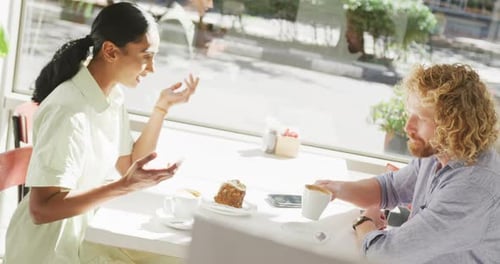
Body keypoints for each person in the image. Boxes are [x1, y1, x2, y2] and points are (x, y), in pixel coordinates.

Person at [4, 2, 199, 263]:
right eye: (146, 56)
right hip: (47, 251)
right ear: (110, 51)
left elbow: (128, 164)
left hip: (83, 237)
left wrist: (161, 108)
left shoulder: (111, 97)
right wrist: (123, 187)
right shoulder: (67, 110)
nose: (152, 68)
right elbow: (42, 209)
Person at [316, 64, 499, 263]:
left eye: (420, 118)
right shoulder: (440, 153)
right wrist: (337, 189)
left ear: (454, 127)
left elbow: (385, 255)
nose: (407, 127)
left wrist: (364, 222)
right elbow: (390, 188)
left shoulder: (471, 188)